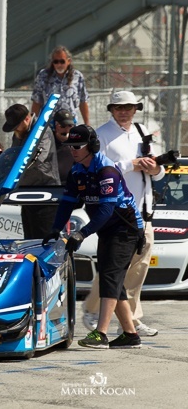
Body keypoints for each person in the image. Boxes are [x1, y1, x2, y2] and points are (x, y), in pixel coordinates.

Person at [43, 124, 144, 349]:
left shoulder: (106, 171)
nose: (73, 150)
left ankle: (101, 334)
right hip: (108, 229)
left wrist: (81, 234)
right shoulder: (77, 170)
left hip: (126, 229)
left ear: (92, 146)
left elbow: (106, 211)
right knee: (114, 283)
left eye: (77, 146)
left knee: (109, 278)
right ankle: (130, 334)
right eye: (70, 146)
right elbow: (68, 203)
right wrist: (54, 228)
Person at [82, 91, 164, 337]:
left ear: (136, 109)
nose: (124, 111)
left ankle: (132, 320)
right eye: (119, 107)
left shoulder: (141, 132)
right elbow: (96, 169)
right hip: (118, 215)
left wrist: (154, 168)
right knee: (114, 268)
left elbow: (159, 174)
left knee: (137, 271)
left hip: (144, 213)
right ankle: (93, 310)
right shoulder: (101, 135)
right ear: (111, 109)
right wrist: (132, 164)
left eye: (129, 107)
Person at [3, 104, 60, 239]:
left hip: (45, 193)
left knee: (43, 239)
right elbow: (14, 154)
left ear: (27, 119)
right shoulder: (19, 133)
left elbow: (38, 158)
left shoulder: (41, 131)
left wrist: (16, 168)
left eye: (17, 125)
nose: (15, 130)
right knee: (29, 238)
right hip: (27, 192)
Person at [31, 45, 90, 124]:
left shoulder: (77, 76)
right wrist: (33, 124)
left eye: (62, 61)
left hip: (70, 124)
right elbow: (37, 101)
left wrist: (87, 123)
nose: (59, 65)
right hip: (48, 125)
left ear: (68, 61)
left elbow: (83, 101)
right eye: (56, 61)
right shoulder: (43, 76)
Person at [51, 109, 75, 183]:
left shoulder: (76, 141)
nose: (67, 130)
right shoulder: (48, 142)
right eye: (63, 126)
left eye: (70, 126)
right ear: (55, 126)